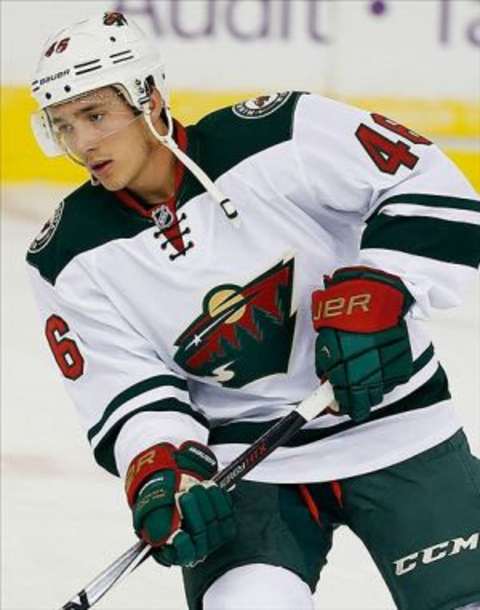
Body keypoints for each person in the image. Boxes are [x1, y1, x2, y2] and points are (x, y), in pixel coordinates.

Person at [27, 11, 480, 610]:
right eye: (63, 126)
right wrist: (165, 473)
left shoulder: (283, 133)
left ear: (150, 97)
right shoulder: (67, 256)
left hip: (394, 421)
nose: (82, 144)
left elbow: (429, 185)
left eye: (95, 115)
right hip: (250, 468)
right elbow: (131, 390)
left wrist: (384, 285)